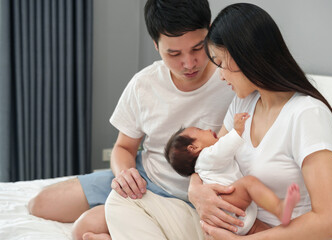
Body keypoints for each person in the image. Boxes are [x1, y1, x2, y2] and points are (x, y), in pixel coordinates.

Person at [28, 0, 238, 239]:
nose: (189, 63)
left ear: (210, 31)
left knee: (86, 227)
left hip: (190, 198)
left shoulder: (231, 80)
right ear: (156, 45)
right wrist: (125, 174)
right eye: (174, 53)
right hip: (145, 178)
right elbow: (124, 147)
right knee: (41, 204)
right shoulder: (144, 83)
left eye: (197, 48)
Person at [188, 3, 332, 239]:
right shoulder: (242, 105)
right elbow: (211, 158)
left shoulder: (306, 115)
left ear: (246, 55)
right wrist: (194, 190)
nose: (221, 76)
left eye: (221, 63)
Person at [164, 112, 301, 235]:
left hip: (235, 218)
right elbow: (225, 146)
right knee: (249, 183)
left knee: (261, 231)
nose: (209, 130)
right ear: (194, 148)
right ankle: (279, 209)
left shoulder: (206, 166)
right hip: (225, 202)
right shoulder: (206, 157)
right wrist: (237, 130)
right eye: (201, 130)